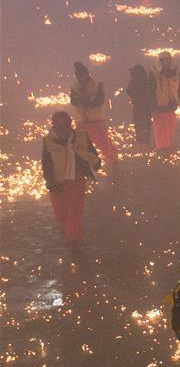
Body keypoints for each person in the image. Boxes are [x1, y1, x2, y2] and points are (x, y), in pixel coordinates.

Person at [41, 111, 101, 242]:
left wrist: (92, 162)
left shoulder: (82, 137)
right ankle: (66, 226)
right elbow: (46, 163)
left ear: (70, 125)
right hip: (57, 182)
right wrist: (49, 181)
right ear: (54, 127)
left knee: (75, 211)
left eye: (66, 126)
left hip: (77, 180)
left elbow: (93, 156)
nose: (64, 130)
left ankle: (74, 239)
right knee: (60, 213)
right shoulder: (48, 141)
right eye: (60, 127)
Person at [70, 61, 118, 164]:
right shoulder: (74, 87)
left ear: (87, 74)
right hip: (82, 121)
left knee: (105, 147)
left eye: (83, 74)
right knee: (79, 149)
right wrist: (83, 101)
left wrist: (86, 102)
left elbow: (99, 100)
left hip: (95, 121)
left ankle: (114, 166)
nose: (81, 77)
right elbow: (73, 101)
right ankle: (82, 170)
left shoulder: (97, 85)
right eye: (79, 75)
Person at [149, 51, 180, 151]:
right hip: (159, 107)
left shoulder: (175, 73)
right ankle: (162, 149)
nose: (168, 62)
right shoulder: (154, 74)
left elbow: (179, 89)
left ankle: (168, 146)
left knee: (170, 128)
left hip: (171, 105)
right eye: (166, 60)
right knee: (160, 130)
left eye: (169, 60)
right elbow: (151, 90)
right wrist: (152, 106)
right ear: (161, 61)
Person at [126, 65, 154, 151]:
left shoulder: (132, 82)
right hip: (147, 108)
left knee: (138, 126)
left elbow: (128, 91)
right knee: (146, 126)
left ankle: (141, 145)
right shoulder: (147, 82)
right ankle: (146, 145)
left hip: (137, 107)